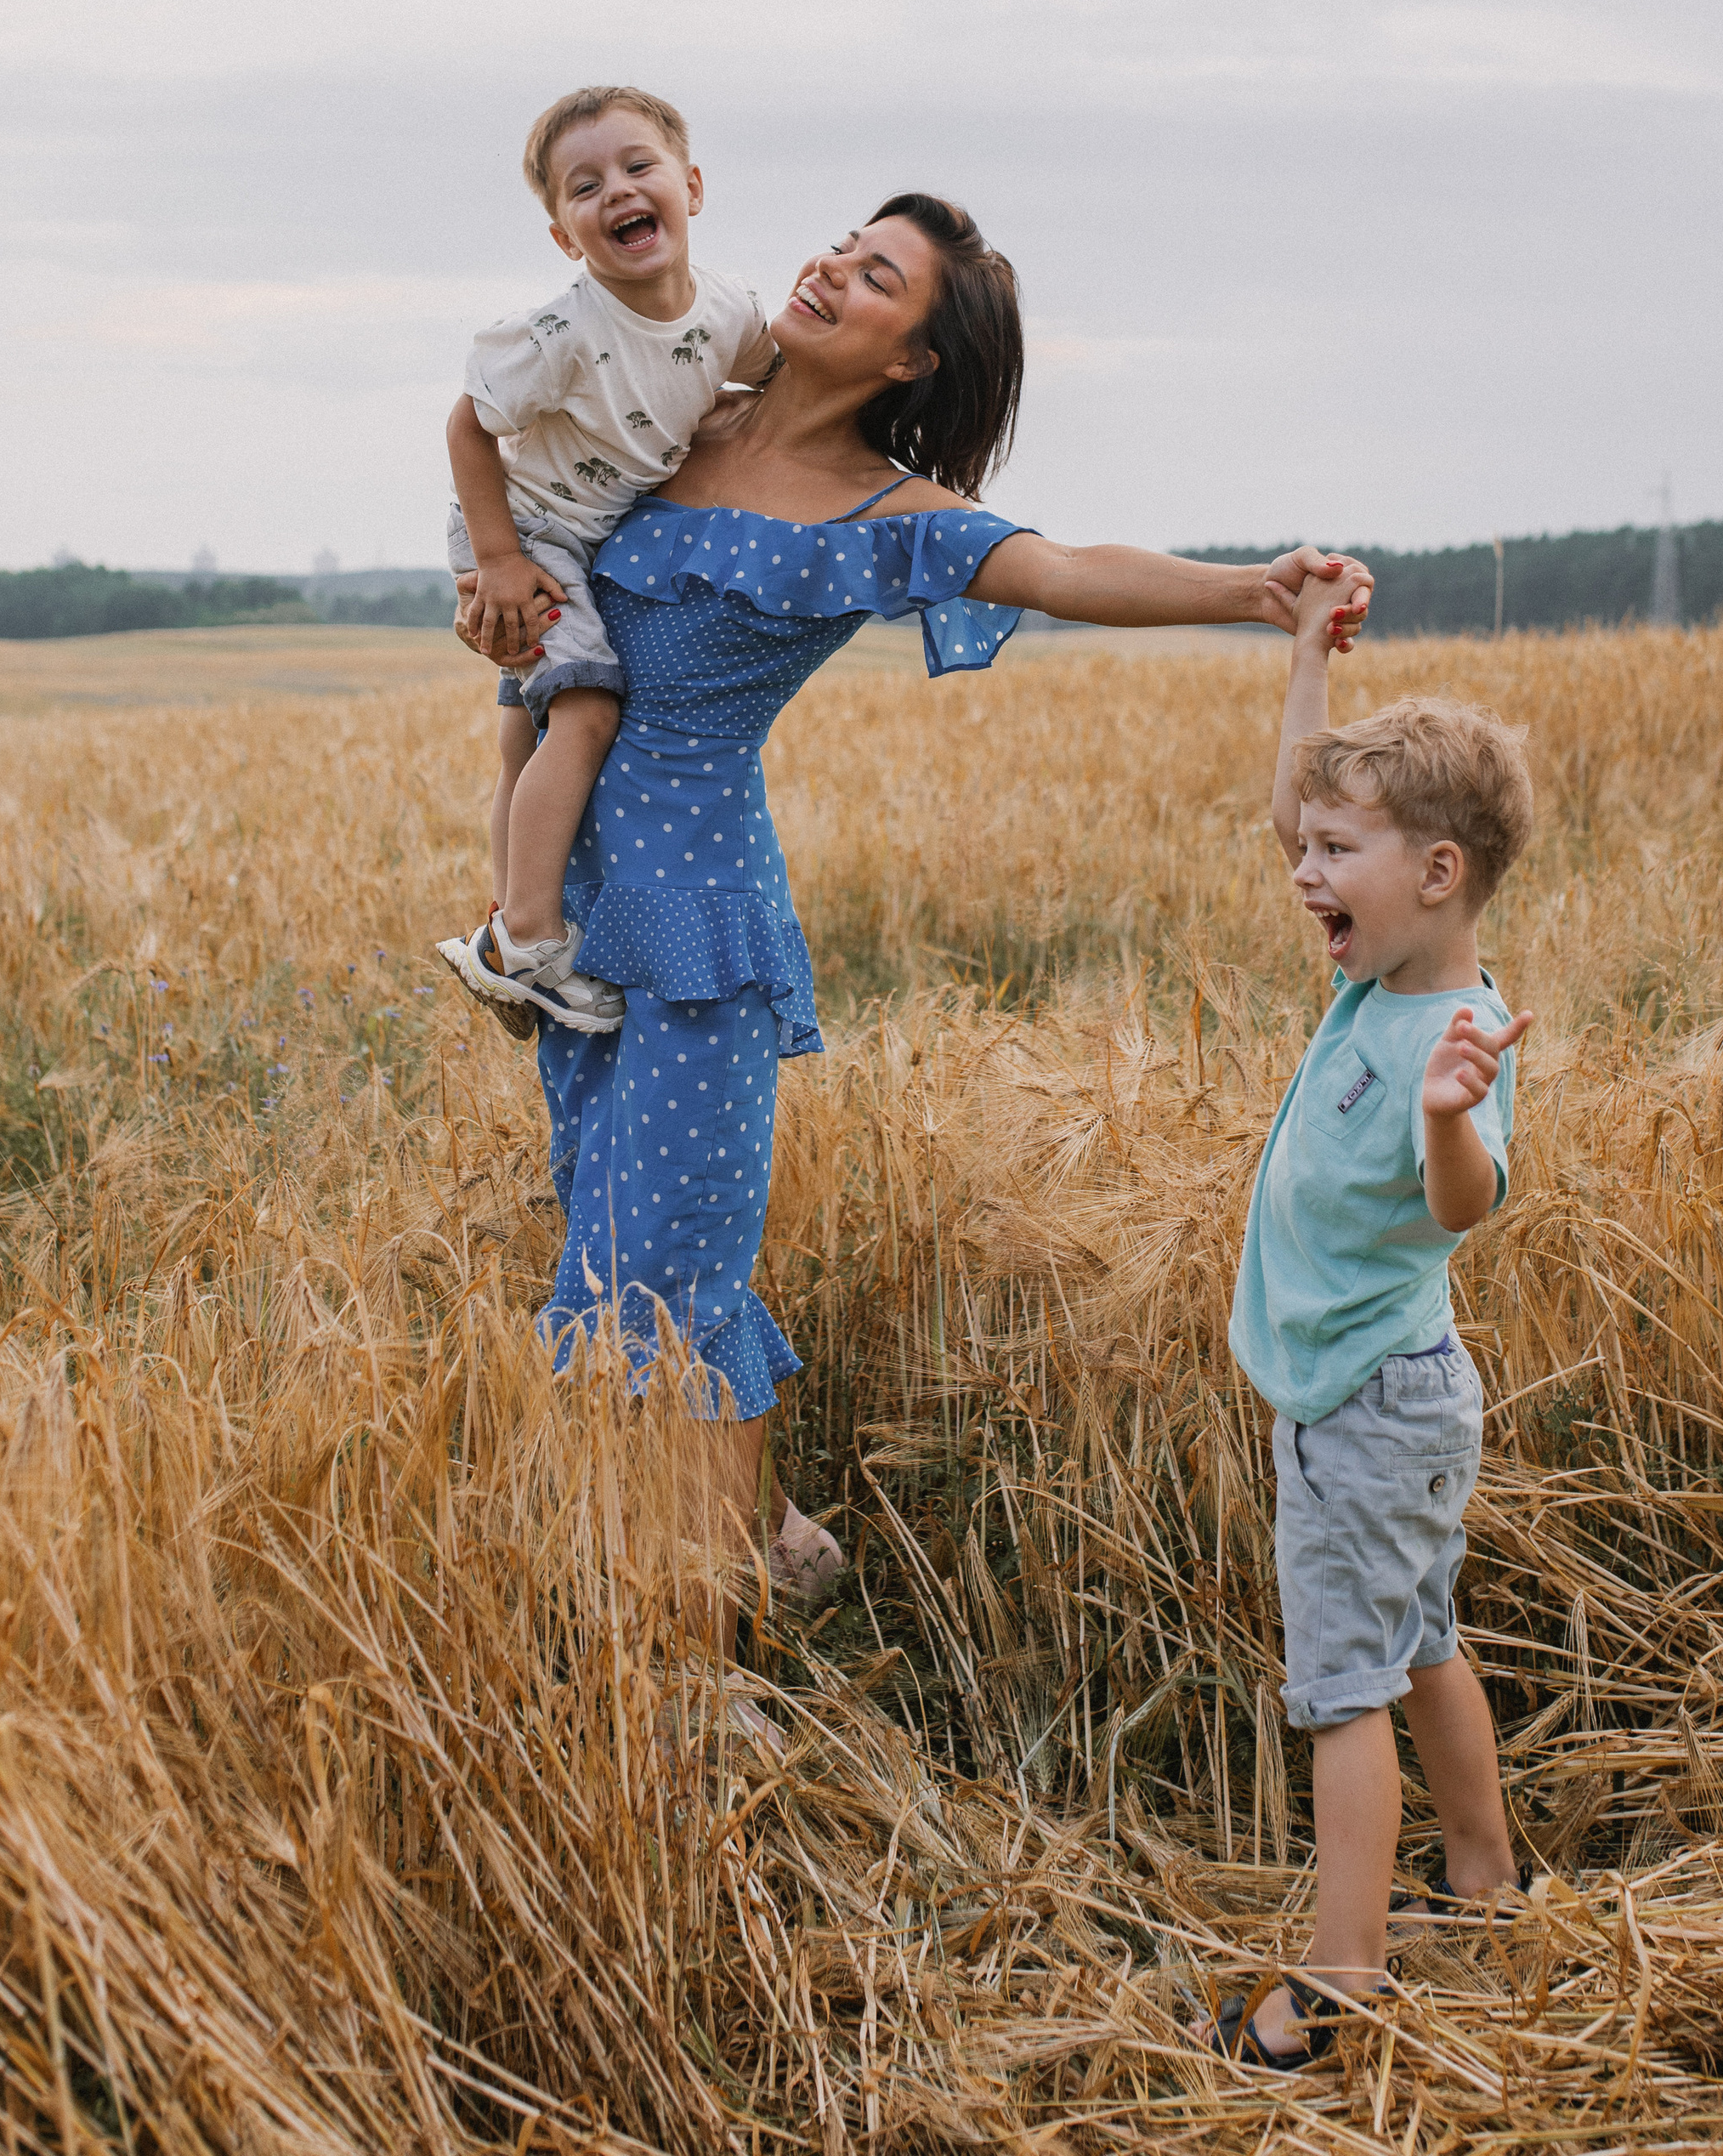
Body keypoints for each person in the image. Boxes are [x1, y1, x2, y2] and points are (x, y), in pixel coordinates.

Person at [454, 189, 1372, 1618]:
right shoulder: (674, 411)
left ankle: (701, 1649)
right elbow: (527, 518)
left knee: (671, 1277)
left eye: (875, 276)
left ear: (908, 361)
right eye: (840, 245)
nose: (829, 269)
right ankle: (763, 1547)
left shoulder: (890, 520)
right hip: (579, 916)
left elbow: (1064, 570)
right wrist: (499, 587)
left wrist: (1253, 589)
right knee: (602, 1240)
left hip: (698, 927)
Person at [1207, 578, 1536, 2069]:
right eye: (1313, 849)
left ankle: (1345, 1976)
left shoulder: (1447, 1035)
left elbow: (1463, 1207)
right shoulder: (1376, 968)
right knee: (1418, 1641)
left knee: (1346, 1685)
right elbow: (1295, 809)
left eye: (1340, 856)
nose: (1303, 872)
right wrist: (1300, 661)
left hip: (1366, 1404)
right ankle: (1485, 1881)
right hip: (1382, 1395)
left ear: (1440, 872)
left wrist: (1449, 1120)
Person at [437, 85, 779, 1035]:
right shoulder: (562, 333)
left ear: (691, 187)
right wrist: (500, 561)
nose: (617, 191)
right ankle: (528, 940)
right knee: (585, 711)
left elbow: (772, 383)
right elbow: (468, 425)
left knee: (524, 737)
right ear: (563, 235)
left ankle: (505, 932)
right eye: (583, 187)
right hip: (528, 534)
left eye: (637, 168)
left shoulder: (730, 309)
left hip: (588, 540)